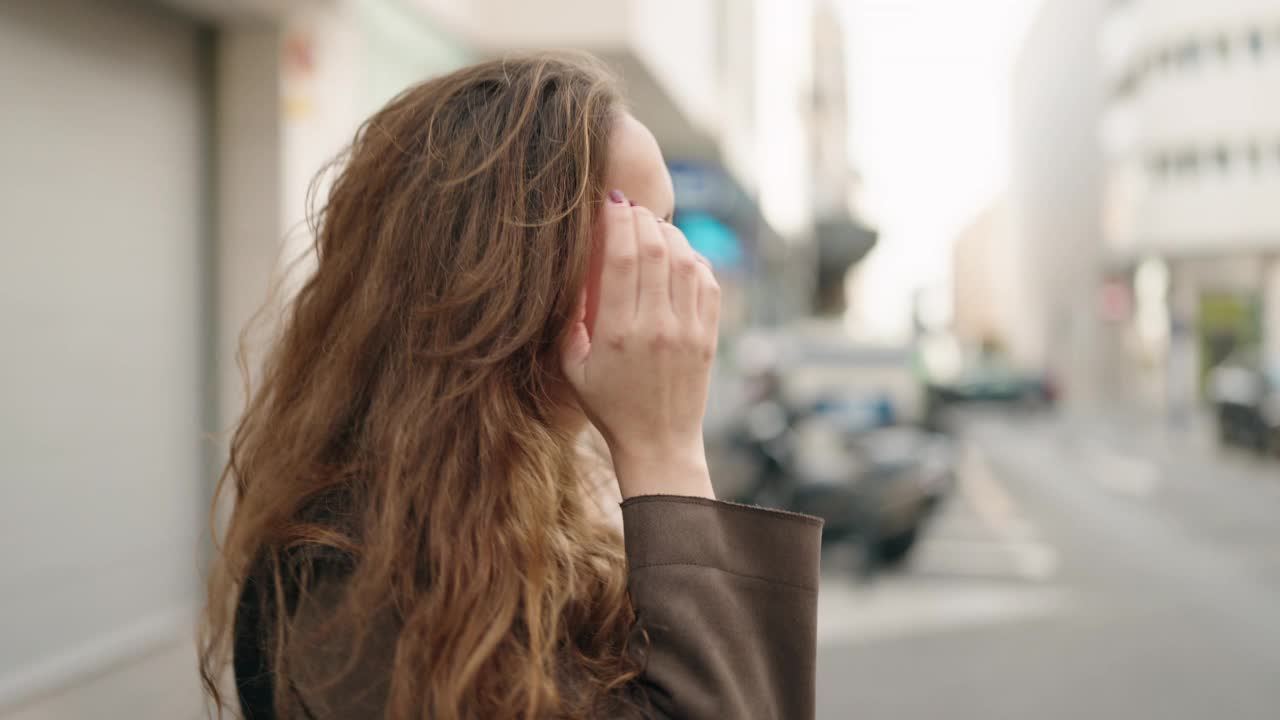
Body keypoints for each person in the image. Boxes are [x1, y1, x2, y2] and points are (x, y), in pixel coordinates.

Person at [199, 53, 822, 720]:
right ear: (501, 269)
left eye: (670, 228)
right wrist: (667, 453)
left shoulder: (547, 511)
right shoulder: (351, 574)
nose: (683, 267)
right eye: (640, 228)